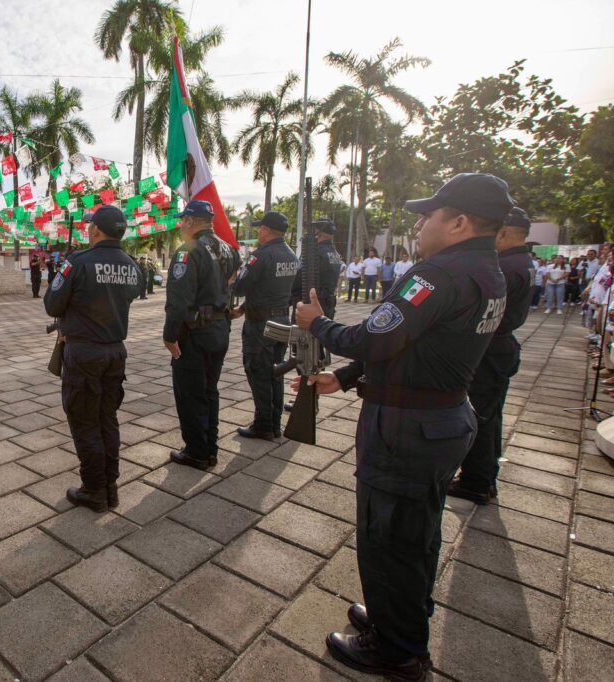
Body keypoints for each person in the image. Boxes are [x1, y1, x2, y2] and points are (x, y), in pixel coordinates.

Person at [295, 173, 511, 680]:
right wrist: (347, 379)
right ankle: (402, 616)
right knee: (415, 533)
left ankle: (396, 648)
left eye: (428, 215)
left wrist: (317, 324)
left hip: (407, 429)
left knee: (386, 535)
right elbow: (417, 347)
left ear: (458, 222)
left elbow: (374, 338)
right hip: (440, 417)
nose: (419, 224)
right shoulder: (488, 270)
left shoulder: (435, 275)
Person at [44, 205, 140, 512]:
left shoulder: (79, 262)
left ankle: (94, 490)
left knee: (85, 421)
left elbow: (53, 305)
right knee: (106, 419)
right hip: (115, 351)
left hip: (84, 352)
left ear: (96, 230)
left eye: (90, 226)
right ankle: (110, 486)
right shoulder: (131, 265)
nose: (87, 229)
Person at [449, 207, 534, 505]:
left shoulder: (506, 267)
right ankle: (484, 476)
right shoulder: (520, 262)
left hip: (490, 348)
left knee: (480, 417)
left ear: (506, 233)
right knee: (490, 415)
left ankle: (476, 482)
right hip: (500, 346)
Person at [164, 200, 241, 469]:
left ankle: (197, 452)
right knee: (209, 390)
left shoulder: (188, 252)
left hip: (195, 332)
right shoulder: (229, 249)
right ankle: (210, 447)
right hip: (220, 328)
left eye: (181, 221)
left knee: (190, 393)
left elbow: (178, 299)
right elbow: (231, 280)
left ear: (189, 221)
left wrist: (170, 335)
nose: (180, 226)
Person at [231, 211, 298, 440]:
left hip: (261, 325)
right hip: (282, 320)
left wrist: (233, 280)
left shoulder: (261, 255)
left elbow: (240, 287)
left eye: (261, 228)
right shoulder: (291, 255)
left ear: (267, 230)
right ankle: (274, 422)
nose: (259, 231)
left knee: (259, 371)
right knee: (276, 372)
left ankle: (264, 425)